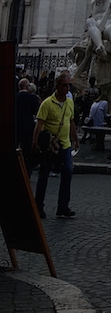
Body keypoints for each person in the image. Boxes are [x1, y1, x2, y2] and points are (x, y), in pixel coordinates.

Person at [32, 71, 79, 219]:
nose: (67, 88)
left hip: (65, 144)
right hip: (50, 144)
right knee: (44, 174)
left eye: (69, 85)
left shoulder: (70, 102)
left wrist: (75, 139)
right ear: (57, 86)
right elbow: (39, 124)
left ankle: (63, 206)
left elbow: (71, 121)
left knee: (67, 172)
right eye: (65, 85)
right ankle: (38, 206)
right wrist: (35, 141)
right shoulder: (47, 103)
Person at [15, 78, 39, 167]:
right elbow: (35, 112)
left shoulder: (15, 97)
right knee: (27, 149)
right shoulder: (32, 98)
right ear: (27, 87)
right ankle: (26, 168)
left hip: (16, 125)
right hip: (28, 126)